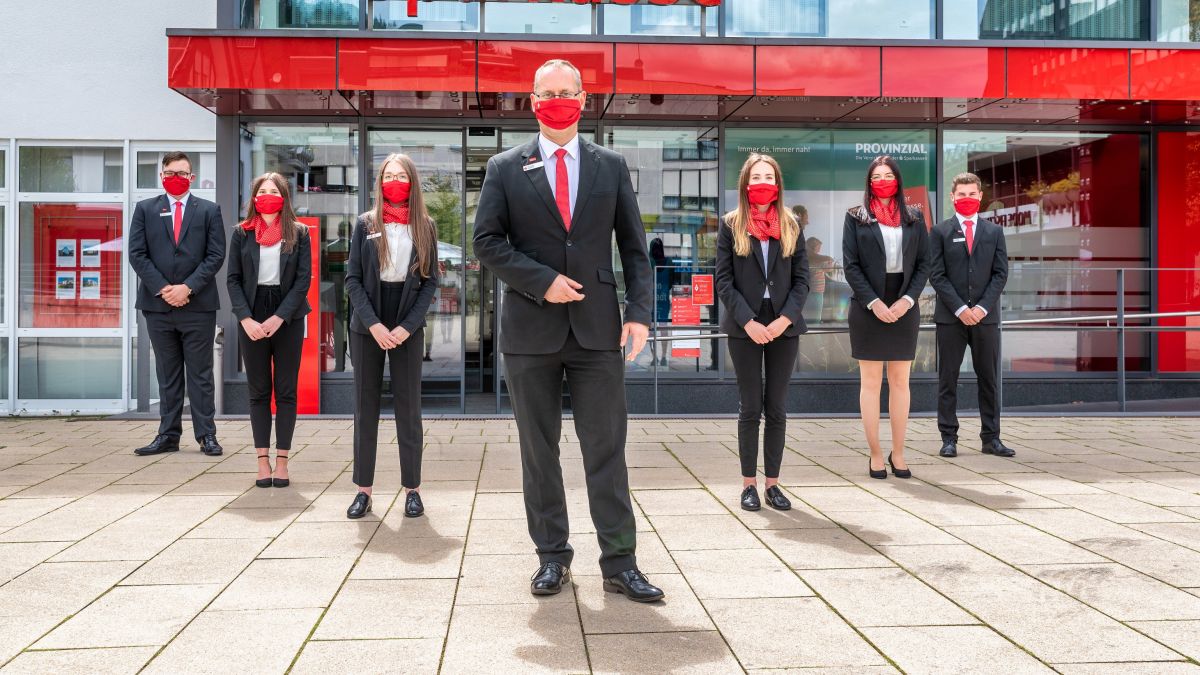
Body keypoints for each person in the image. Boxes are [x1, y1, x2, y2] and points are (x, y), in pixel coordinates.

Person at [473, 59, 662, 603]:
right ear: (533, 102)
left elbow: (634, 249)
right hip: (531, 332)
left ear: (584, 98)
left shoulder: (611, 165)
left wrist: (640, 313)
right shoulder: (505, 167)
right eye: (546, 92)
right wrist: (541, 282)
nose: (557, 100)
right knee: (540, 452)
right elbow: (487, 241)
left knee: (607, 450)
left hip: (598, 330)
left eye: (566, 91)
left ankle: (620, 562)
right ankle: (552, 557)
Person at [344, 153, 439, 520]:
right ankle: (363, 491)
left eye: (401, 176)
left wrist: (405, 327)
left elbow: (430, 282)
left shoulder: (425, 225)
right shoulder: (365, 223)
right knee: (365, 409)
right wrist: (375, 326)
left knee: (408, 409)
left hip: (406, 320)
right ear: (380, 182)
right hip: (369, 320)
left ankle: (412, 489)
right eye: (388, 176)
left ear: (412, 182)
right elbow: (353, 279)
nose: (394, 182)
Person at [716, 154, 809, 512]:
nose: (763, 182)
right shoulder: (731, 224)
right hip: (746, 324)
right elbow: (724, 281)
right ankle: (748, 485)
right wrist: (748, 321)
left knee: (778, 407)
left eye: (769, 176)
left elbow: (802, 280)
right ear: (746, 183)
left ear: (778, 183)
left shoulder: (791, 224)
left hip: (784, 324)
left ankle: (773, 484)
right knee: (750, 406)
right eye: (756, 176)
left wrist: (785, 319)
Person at [128, 151, 227, 457]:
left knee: (200, 374)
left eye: (182, 173)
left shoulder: (209, 211)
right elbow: (137, 254)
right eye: (170, 172)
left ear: (192, 177)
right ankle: (168, 435)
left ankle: (206, 435)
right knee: (168, 374)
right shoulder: (145, 209)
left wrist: (187, 288)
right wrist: (163, 288)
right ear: (162, 175)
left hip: (197, 306)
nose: (176, 178)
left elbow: (216, 255)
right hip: (158, 306)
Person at [842, 155, 930, 480]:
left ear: (897, 180)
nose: (882, 181)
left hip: (904, 303)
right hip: (868, 306)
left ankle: (900, 452)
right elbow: (850, 265)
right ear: (869, 182)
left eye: (888, 175)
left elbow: (924, 263)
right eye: (876, 176)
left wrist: (908, 300)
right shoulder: (856, 217)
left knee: (900, 381)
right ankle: (876, 454)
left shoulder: (914, 217)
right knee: (870, 383)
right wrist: (873, 302)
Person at [227, 172, 312, 488]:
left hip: (287, 314)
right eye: (262, 191)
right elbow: (233, 279)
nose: (267, 196)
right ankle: (262, 461)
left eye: (273, 191)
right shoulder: (241, 233)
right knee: (259, 391)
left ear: (284, 197)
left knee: (286, 391)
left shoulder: (299, 233)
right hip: (251, 311)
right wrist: (245, 319)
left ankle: (282, 461)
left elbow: (304, 280)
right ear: (253, 197)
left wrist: (281, 317)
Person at [930, 172, 1014, 459]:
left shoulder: (994, 232)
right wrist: (960, 308)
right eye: (961, 194)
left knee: (989, 379)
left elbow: (1001, 273)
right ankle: (948, 438)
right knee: (947, 380)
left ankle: (991, 438)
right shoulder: (940, 232)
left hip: (985, 318)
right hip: (951, 318)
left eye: (972, 194)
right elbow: (937, 275)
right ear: (952, 197)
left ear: (980, 196)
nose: (967, 199)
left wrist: (981, 308)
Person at [804, 236, 835, 325]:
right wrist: (830, 261)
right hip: (815, 291)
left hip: (814, 291)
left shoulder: (813, 259)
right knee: (815, 317)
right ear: (813, 246)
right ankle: (814, 331)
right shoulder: (814, 259)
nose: (819, 250)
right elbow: (827, 268)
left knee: (813, 315)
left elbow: (825, 269)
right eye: (818, 247)